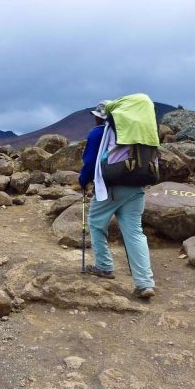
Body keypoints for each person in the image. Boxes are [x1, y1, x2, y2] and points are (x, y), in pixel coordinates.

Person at [79, 100, 156, 299]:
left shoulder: (99, 133)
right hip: (136, 187)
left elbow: (89, 162)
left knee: (96, 224)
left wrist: (83, 181)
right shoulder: (136, 133)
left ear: (101, 117)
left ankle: (104, 266)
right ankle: (144, 283)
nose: (95, 118)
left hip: (111, 187)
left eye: (96, 115)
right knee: (135, 233)